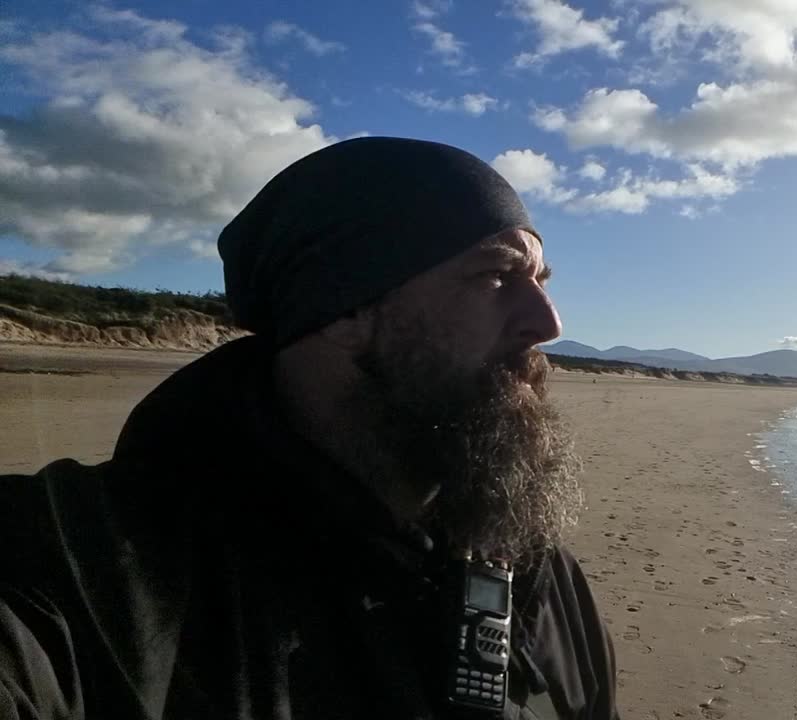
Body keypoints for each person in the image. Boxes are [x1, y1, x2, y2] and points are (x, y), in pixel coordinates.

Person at [0, 138, 619, 719]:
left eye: (539, 281)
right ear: (347, 307)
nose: (548, 322)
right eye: (496, 275)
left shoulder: (535, 568)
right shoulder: (85, 570)